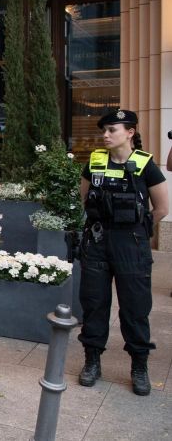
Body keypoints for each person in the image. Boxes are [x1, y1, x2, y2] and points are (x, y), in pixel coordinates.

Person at [77, 109, 168, 396]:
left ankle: (139, 366)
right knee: (94, 303)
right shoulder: (94, 162)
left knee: (135, 307)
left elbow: (162, 208)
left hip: (131, 244)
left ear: (130, 132)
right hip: (98, 241)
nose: (105, 135)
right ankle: (92, 361)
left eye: (112, 129)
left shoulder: (145, 164)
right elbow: (84, 198)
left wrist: (137, 229)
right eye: (104, 130)